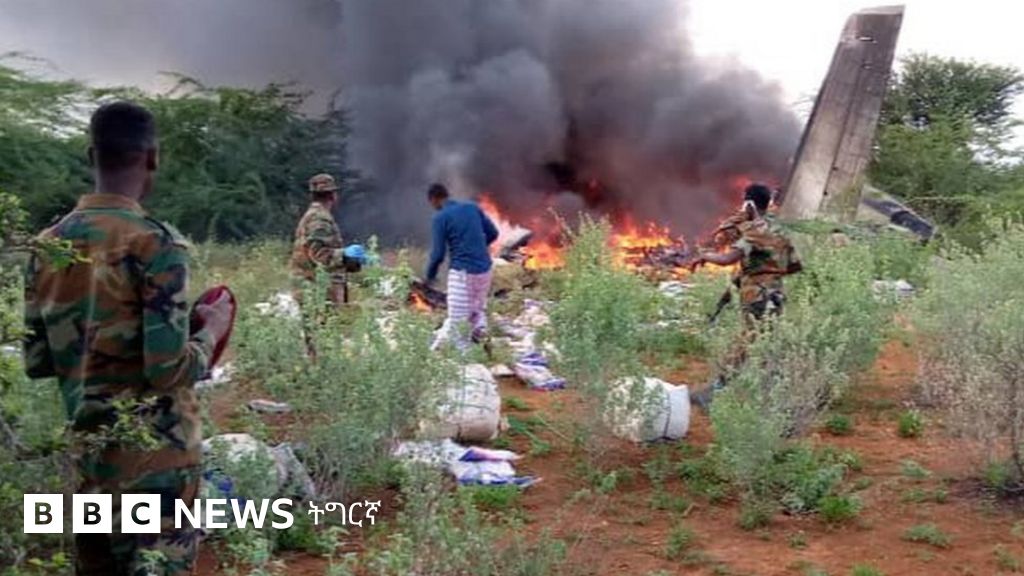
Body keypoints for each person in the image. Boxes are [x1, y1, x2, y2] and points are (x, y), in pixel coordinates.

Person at [22, 101, 234, 576]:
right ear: (152, 157)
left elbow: (37, 361)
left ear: (91, 156)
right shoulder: (155, 244)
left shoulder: (46, 245)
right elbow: (167, 370)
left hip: (90, 459)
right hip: (156, 469)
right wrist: (211, 331)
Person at [689, 183, 802, 407]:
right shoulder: (778, 231)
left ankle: (715, 392)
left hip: (757, 297)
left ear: (749, 203)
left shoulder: (754, 232)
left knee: (745, 344)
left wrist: (705, 256)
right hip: (776, 294)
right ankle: (779, 394)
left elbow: (727, 259)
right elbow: (793, 266)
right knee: (765, 342)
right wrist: (762, 271)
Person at [424, 183, 499, 351]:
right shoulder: (472, 207)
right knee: (477, 311)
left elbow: (438, 254)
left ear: (433, 200)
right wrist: (478, 247)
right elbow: (494, 233)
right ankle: (483, 340)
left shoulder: (440, 218)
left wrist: (429, 277)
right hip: (485, 269)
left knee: (458, 322)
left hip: (463, 273)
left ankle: (465, 358)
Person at [289, 173, 350, 357]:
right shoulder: (320, 218)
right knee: (324, 339)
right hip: (318, 287)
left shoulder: (312, 215)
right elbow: (319, 254)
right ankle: (323, 369)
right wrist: (346, 255)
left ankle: (316, 366)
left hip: (310, 285)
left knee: (315, 339)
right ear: (333, 195)